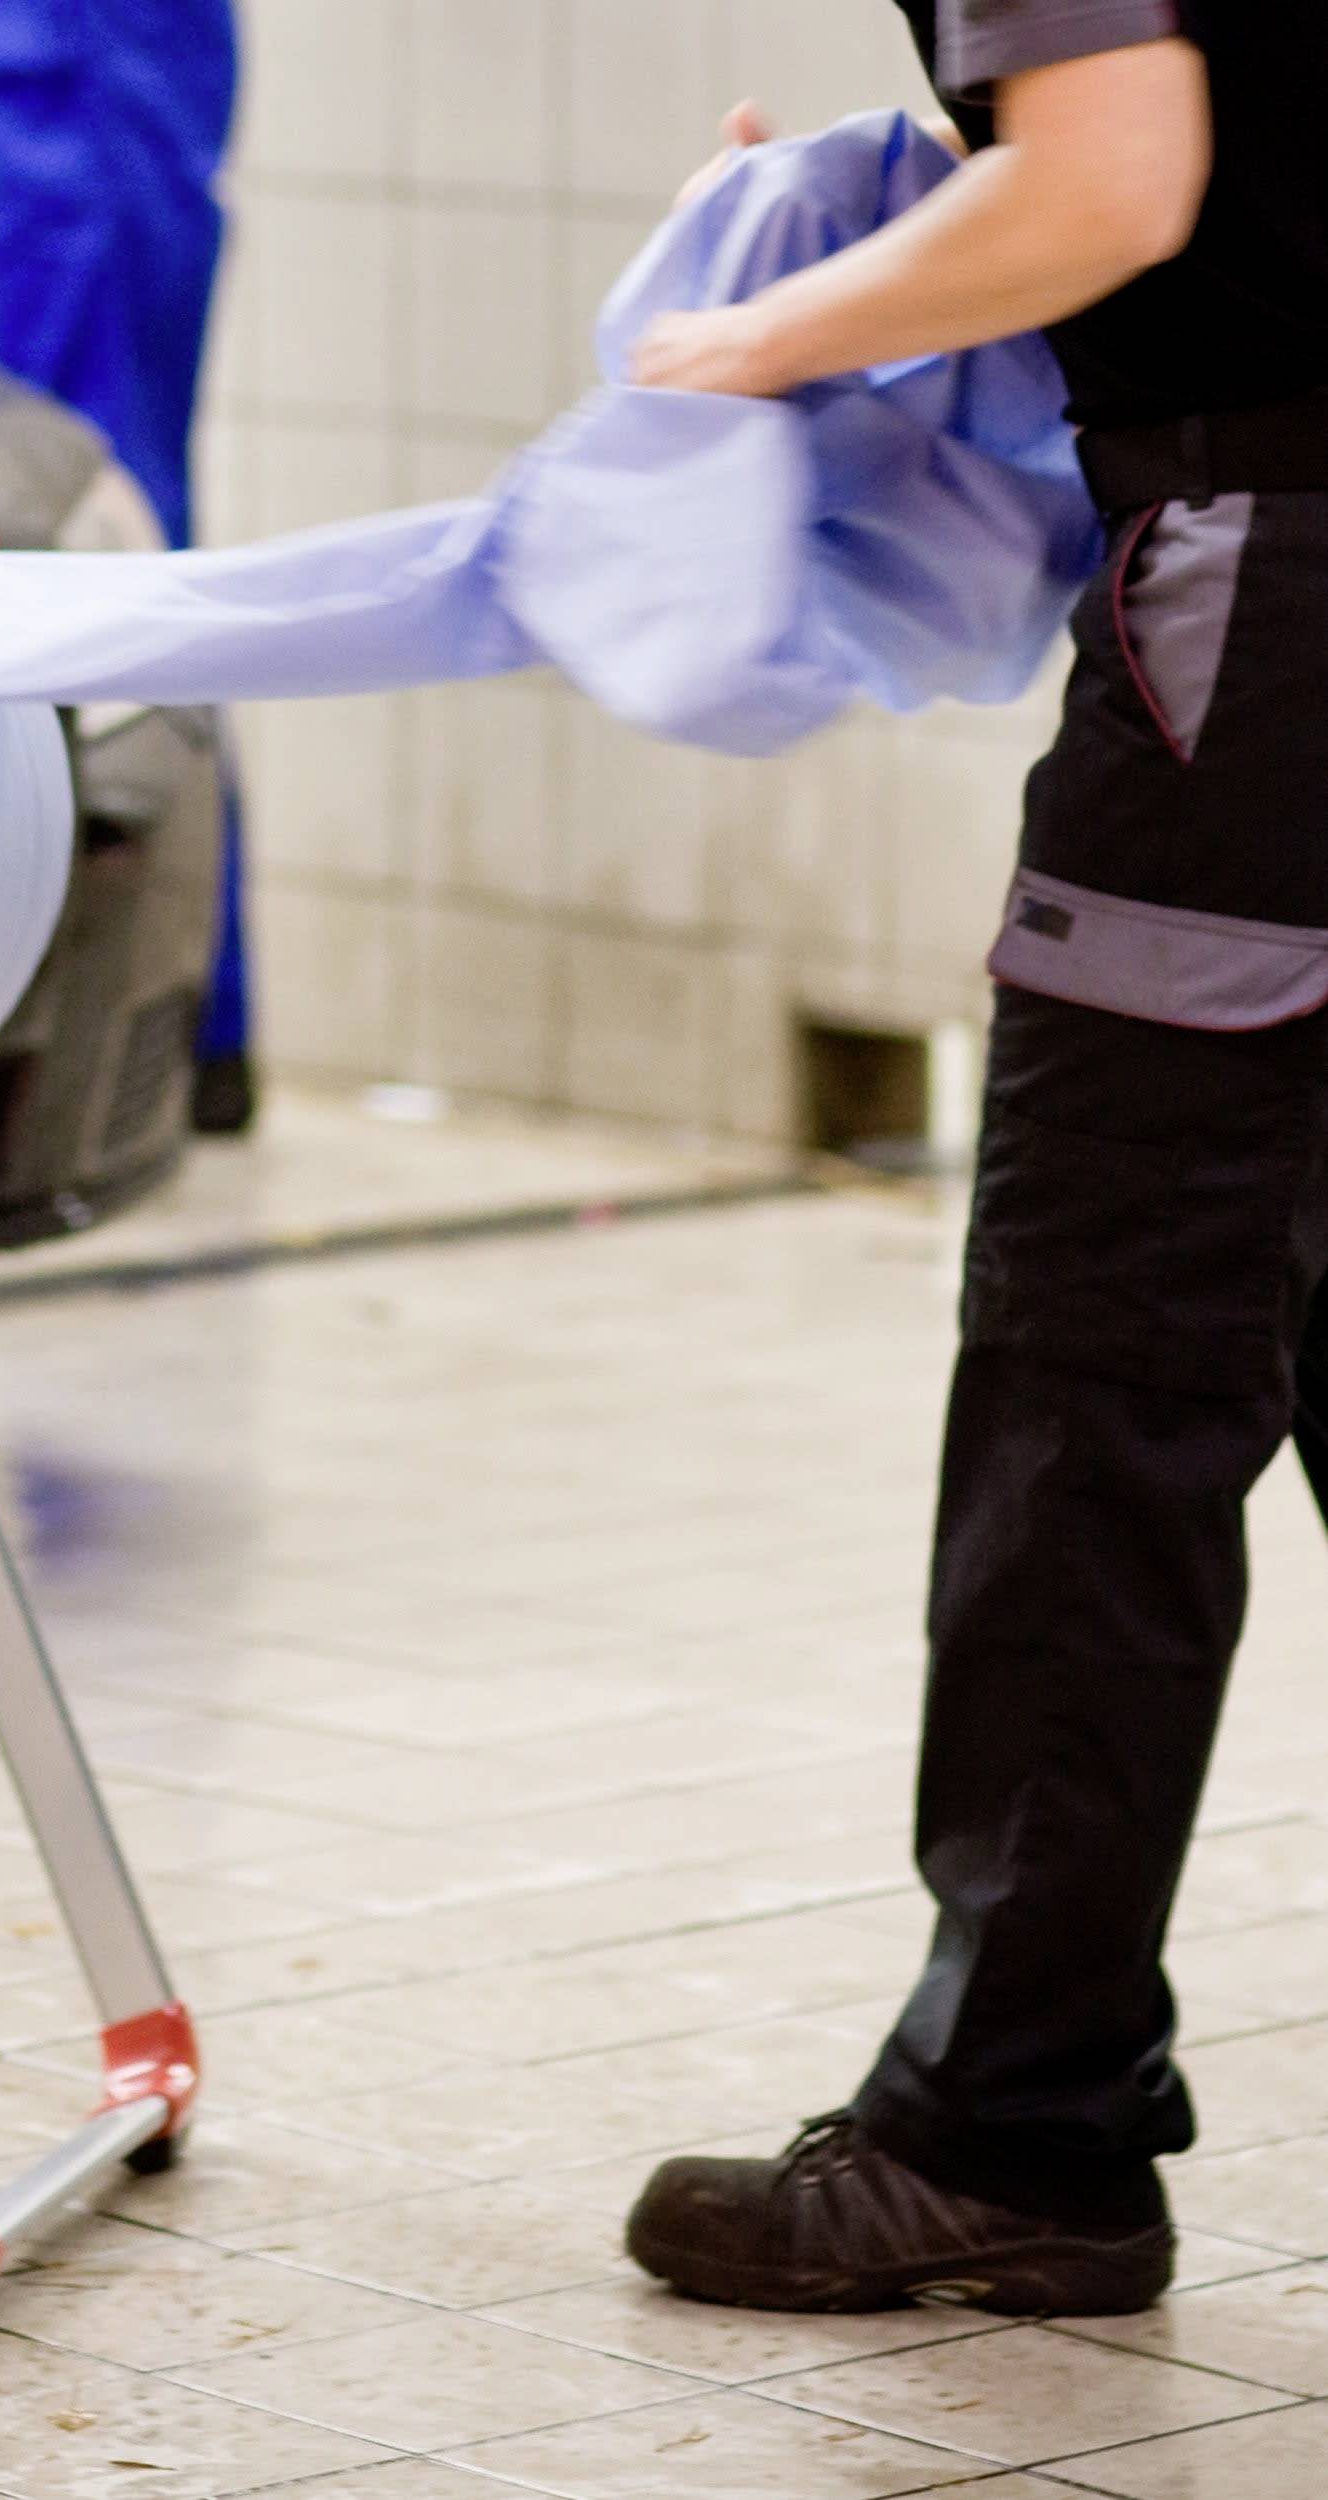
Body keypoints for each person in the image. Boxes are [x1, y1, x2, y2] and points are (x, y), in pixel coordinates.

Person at [621, 3, 1328, 2319]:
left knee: (1099, 1345)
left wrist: (754, 335)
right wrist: (912, 173)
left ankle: (1006, 2120)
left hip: (1278, 619)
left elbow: (1115, 187)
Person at [0, 0, 258, 1133]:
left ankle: (105, 1027)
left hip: (51, 45)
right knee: (77, 487)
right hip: (23, 48)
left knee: (64, 495)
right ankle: (167, 1017)